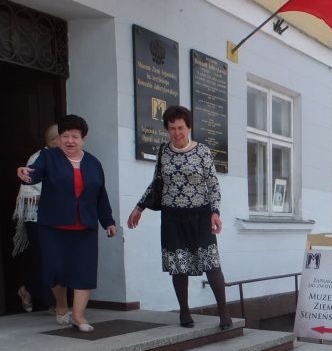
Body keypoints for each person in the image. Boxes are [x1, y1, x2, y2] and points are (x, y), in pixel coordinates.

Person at [127, 105, 232, 330]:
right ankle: (184, 312)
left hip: (200, 216)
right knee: (178, 265)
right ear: (167, 129)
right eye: (172, 128)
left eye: (180, 128)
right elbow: (157, 183)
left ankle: (224, 314)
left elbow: (213, 185)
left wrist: (215, 212)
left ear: (189, 127)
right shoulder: (163, 151)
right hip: (173, 217)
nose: (176, 132)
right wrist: (139, 207)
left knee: (211, 264)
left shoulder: (202, 151)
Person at [17, 115, 117, 332]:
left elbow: (100, 195)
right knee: (55, 269)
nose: (70, 141)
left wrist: (108, 221)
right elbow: (35, 174)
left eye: (75, 136)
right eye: (65, 136)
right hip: (53, 226)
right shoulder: (48, 156)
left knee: (84, 270)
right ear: (59, 137)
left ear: (83, 138)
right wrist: (25, 174)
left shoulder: (94, 163)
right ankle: (62, 305)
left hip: (85, 226)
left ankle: (79, 316)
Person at [12, 124, 59, 312]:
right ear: (54, 140)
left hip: (58, 218)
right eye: (64, 137)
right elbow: (30, 189)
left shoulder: (64, 159)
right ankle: (54, 304)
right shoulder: (38, 158)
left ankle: (28, 290)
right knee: (46, 259)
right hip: (37, 217)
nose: (69, 141)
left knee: (55, 259)